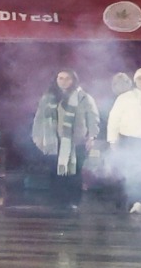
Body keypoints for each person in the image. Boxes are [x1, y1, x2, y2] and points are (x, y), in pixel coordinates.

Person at [31, 71, 100, 209]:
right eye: (60, 78)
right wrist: (37, 137)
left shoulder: (83, 97)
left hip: (77, 142)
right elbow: (39, 119)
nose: (63, 81)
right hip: (53, 141)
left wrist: (92, 137)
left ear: (73, 80)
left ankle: (73, 202)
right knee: (54, 172)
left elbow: (93, 119)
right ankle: (57, 202)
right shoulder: (47, 98)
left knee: (74, 173)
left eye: (67, 78)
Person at [108, 65, 141, 215]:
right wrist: (113, 141)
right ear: (135, 81)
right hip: (130, 141)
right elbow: (114, 121)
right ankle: (136, 202)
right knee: (132, 174)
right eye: (140, 78)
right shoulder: (124, 98)